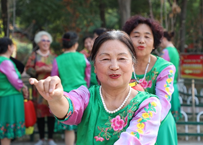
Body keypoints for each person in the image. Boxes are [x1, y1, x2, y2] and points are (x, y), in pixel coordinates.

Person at [29, 30, 167, 144]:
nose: (114, 66)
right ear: (94, 66)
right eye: (105, 59)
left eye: (122, 58)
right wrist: (56, 98)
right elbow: (69, 107)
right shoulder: (86, 96)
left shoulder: (149, 105)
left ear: (133, 65)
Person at [123, 15, 178, 145]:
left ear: (154, 43)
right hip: (127, 127)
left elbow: (163, 104)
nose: (141, 41)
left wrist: (140, 127)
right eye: (136, 36)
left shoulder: (165, 68)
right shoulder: (121, 65)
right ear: (127, 40)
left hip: (159, 125)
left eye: (147, 36)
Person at [51, 31, 90, 145]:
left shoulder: (57, 60)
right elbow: (87, 77)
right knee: (84, 126)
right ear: (76, 44)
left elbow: (54, 78)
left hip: (66, 96)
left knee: (69, 129)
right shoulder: (83, 57)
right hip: (83, 95)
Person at [0, 37, 25, 145]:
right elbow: (16, 82)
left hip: (5, 97)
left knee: (5, 129)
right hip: (10, 98)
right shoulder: (5, 62)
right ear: (9, 47)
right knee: (6, 132)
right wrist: (24, 88)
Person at [25, 31, 57, 145]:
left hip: (51, 89)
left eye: (48, 40)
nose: (46, 43)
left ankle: (51, 138)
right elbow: (28, 69)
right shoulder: (34, 55)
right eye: (43, 40)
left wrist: (51, 70)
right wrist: (38, 70)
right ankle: (41, 138)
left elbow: (59, 70)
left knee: (51, 112)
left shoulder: (54, 56)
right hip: (38, 90)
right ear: (38, 42)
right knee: (40, 114)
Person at [160, 31, 181, 121]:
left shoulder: (165, 52)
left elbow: (159, 69)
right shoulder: (175, 51)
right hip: (174, 86)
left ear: (164, 39)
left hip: (167, 87)